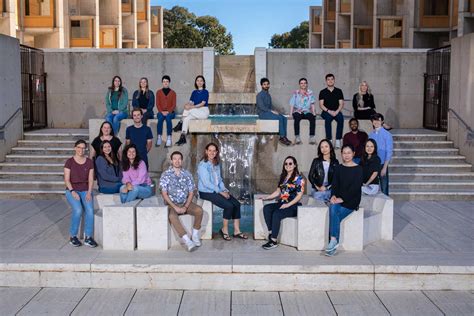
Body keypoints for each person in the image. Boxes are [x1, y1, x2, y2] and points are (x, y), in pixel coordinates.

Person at [198, 143, 248, 241]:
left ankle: (237, 231)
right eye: (210, 150)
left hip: (216, 190)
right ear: (206, 151)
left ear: (216, 152)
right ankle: (224, 230)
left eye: (214, 151)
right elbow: (206, 183)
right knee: (228, 206)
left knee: (236, 204)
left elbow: (219, 180)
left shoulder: (216, 164)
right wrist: (221, 192)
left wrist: (224, 190)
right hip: (206, 192)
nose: (212, 152)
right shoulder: (203, 165)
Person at [160, 151, 203, 252]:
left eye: (179, 159)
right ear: (171, 161)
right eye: (175, 159)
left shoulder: (187, 174)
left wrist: (185, 206)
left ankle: (195, 235)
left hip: (185, 203)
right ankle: (187, 240)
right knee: (172, 216)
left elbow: (191, 192)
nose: (177, 161)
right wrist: (175, 207)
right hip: (172, 204)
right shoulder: (166, 175)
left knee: (199, 210)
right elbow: (164, 194)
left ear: (182, 161)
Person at [325, 144, 363, 256]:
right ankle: (333, 241)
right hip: (338, 199)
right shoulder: (339, 168)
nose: (346, 155)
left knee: (334, 215)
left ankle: (332, 243)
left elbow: (355, 189)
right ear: (341, 154)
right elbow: (335, 185)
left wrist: (342, 199)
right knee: (333, 208)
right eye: (344, 153)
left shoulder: (358, 169)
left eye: (349, 153)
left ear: (353, 154)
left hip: (352, 201)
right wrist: (333, 196)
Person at [261, 156, 305, 250]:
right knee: (267, 208)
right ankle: (271, 232)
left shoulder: (299, 178)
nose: (288, 165)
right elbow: (278, 192)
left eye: (290, 163)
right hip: (282, 202)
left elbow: (299, 195)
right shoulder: (283, 177)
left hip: (293, 205)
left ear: (294, 165)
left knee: (277, 214)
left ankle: (273, 241)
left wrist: (288, 205)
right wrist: (267, 197)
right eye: (286, 163)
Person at [64, 140, 97, 248]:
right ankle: (73, 236)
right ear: (75, 148)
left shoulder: (89, 162)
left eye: (83, 148)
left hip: (85, 190)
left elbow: (91, 179)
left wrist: (89, 192)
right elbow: (67, 180)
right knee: (78, 210)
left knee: (90, 210)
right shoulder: (69, 162)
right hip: (72, 190)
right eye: (79, 147)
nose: (81, 150)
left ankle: (88, 238)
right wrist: (72, 191)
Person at [174, 75, 210, 146]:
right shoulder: (194, 92)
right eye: (198, 81)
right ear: (196, 82)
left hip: (203, 112)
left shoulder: (205, 92)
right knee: (187, 118)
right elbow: (191, 102)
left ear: (203, 82)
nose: (199, 82)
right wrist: (187, 105)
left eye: (201, 81)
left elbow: (202, 103)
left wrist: (191, 107)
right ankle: (183, 136)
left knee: (188, 110)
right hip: (195, 111)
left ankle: (180, 123)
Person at [257, 78, 292, 146]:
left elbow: (270, 106)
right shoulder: (259, 95)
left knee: (283, 118)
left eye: (267, 84)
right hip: (262, 114)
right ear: (261, 85)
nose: (266, 86)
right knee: (279, 118)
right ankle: (282, 137)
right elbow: (261, 107)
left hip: (268, 112)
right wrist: (271, 111)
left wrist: (275, 111)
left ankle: (284, 137)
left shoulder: (268, 95)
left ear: (269, 85)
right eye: (264, 84)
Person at [368, 113, 393, 196]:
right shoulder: (371, 135)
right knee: (372, 187)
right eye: (374, 120)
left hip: (382, 164)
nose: (376, 122)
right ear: (372, 122)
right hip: (372, 164)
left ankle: (386, 207)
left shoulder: (387, 134)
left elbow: (389, 152)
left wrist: (385, 168)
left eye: (378, 120)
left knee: (384, 187)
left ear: (382, 121)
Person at [319, 73, 345, 148]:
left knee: (341, 118)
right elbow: (321, 105)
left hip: (336, 111)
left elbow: (341, 104)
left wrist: (336, 111)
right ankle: (329, 140)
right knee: (328, 119)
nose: (330, 81)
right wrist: (329, 111)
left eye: (332, 79)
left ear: (334, 80)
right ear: (326, 81)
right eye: (328, 79)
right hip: (326, 111)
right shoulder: (322, 92)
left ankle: (338, 140)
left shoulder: (339, 91)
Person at [289, 78, 317, 145]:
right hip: (297, 111)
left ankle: (312, 136)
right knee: (297, 117)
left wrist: (313, 112)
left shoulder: (310, 93)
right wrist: (290, 114)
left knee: (312, 117)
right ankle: (297, 137)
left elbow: (312, 103)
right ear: (299, 84)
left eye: (304, 83)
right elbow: (292, 104)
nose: (303, 84)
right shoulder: (296, 93)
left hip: (306, 111)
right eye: (301, 83)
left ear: (307, 84)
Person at [155, 75, 177, 147]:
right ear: (162, 82)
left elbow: (174, 104)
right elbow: (157, 104)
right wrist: (161, 111)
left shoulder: (173, 93)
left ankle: (169, 137)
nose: (165, 83)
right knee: (160, 118)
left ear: (169, 82)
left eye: (167, 81)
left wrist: (168, 111)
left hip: (170, 112)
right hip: (161, 112)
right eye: (164, 81)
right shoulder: (158, 92)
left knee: (168, 118)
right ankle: (159, 137)